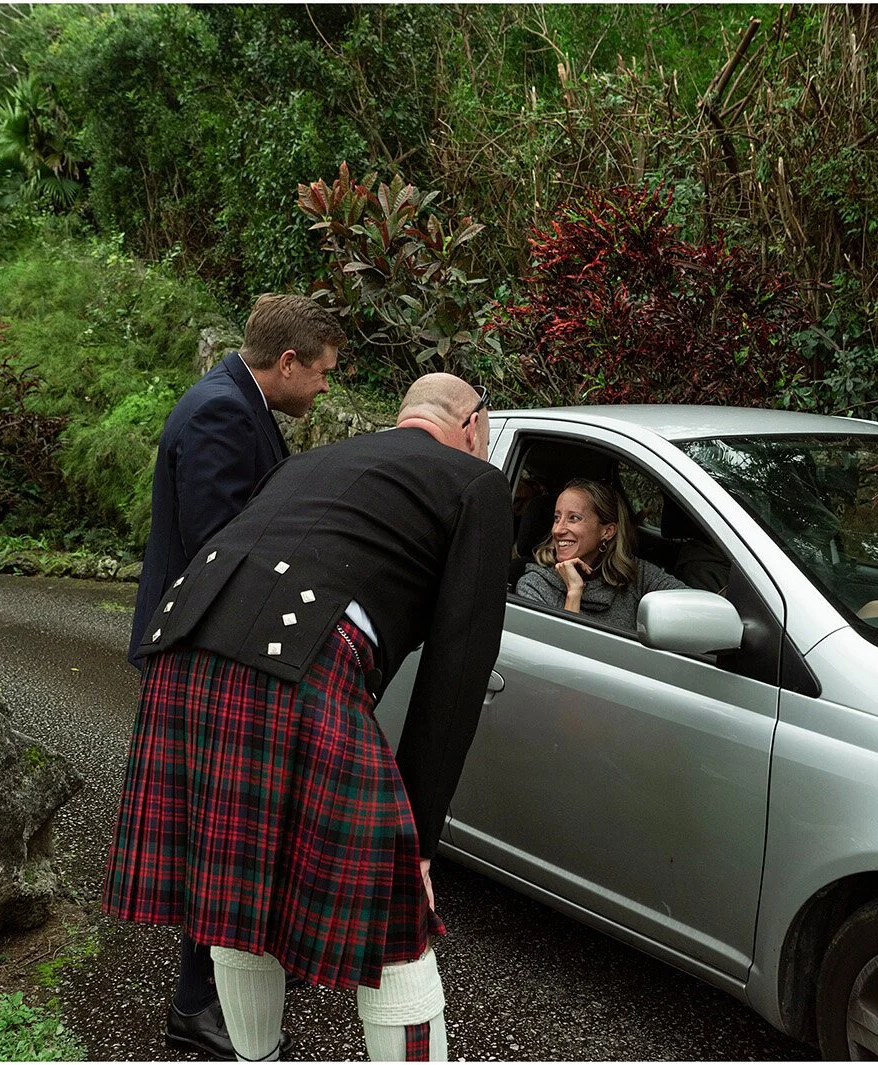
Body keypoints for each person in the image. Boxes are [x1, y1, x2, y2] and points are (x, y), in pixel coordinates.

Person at [106, 373, 507, 1062]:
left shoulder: (312, 459)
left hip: (182, 648)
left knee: (236, 889)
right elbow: (458, 669)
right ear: (472, 423)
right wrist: (418, 839)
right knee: (395, 915)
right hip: (297, 661)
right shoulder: (477, 483)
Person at [125, 293, 343, 1057]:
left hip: (209, 648)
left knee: (214, 833)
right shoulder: (220, 413)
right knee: (210, 832)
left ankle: (204, 994)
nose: (322, 390)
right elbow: (220, 549)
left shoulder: (231, 401)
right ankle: (195, 1003)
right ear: (286, 363)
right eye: (320, 374)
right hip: (201, 652)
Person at [513, 478, 687, 632]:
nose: (557, 530)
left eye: (574, 518)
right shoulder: (534, 585)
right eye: (557, 518)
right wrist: (573, 593)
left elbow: (694, 609)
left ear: (607, 531)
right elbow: (560, 659)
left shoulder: (636, 575)